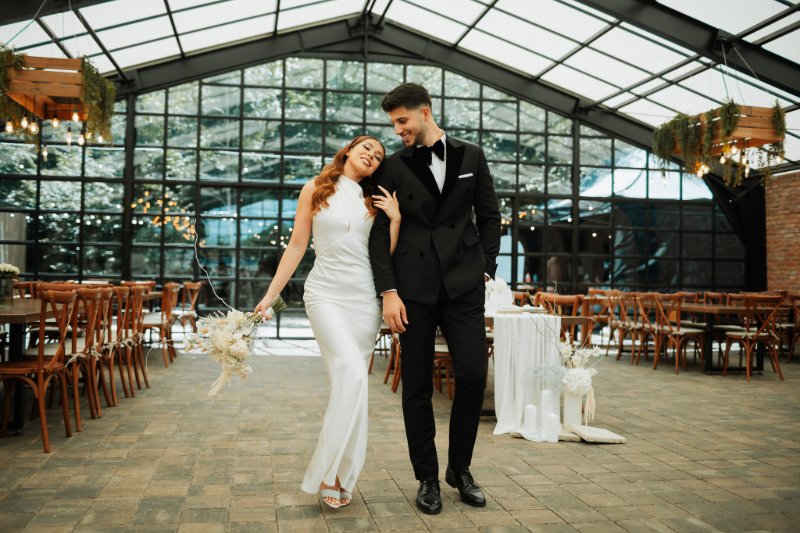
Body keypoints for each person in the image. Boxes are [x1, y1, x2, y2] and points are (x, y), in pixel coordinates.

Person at [368, 83, 501, 514]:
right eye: (393, 124)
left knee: (473, 375)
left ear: (425, 113)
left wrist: (487, 267)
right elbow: (377, 232)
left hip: (464, 285)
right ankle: (427, 476)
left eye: (402, 121)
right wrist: (388, 291)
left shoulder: (472, 155)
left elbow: (489, 215)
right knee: (418, 386)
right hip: (413, 289)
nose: (397, 131)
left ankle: (459, 470)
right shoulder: (391, 165)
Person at [254, 136, 400, 508]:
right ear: (349, 150)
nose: (372, 155)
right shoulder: (315, 189)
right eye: (366, 148)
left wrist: (395, 218)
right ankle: (329, 473)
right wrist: (270, 297)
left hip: (364, 301)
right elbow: (296, 246)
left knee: (351, 386)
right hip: (325, 296)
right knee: (352, 374)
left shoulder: (375, 199)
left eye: (379, 155)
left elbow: (385, 253)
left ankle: (341, 473)